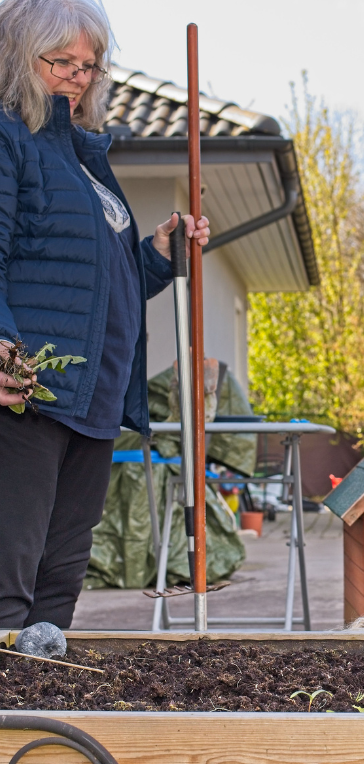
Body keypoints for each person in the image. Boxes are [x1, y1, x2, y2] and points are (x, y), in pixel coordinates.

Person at [0, 0, 210, 628]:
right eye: (60, 60)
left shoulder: (86, 160)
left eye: (89, 65)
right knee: (12, 568)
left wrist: (158, 255)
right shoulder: (10, 139)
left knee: (60, 575)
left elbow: (101, 289)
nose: (78, 76)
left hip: (94, 399)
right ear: (16, 57)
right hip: (28, 392)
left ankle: (37, 711)